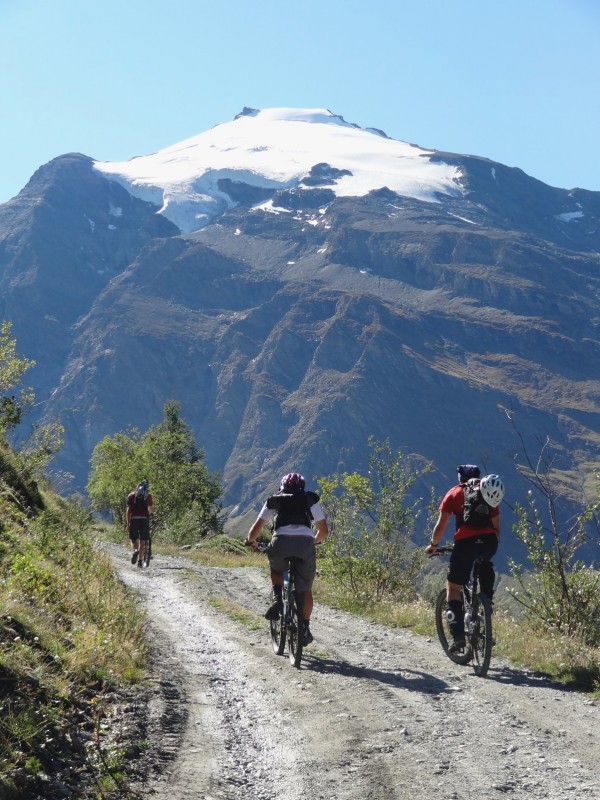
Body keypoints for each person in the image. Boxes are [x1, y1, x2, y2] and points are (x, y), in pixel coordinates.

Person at [426, 465, 505, 652]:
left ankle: (458, 637)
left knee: (453, 587)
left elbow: (440, 526)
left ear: (460, 478)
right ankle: (486, 605)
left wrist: (433, 545)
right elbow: (496, 529)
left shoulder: (454, 494)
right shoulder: (489, 492)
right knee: (485, 563)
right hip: (488, 543)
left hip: (464, 545)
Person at [245, 472, 329, 646]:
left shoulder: (275, 500)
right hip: (305, 543)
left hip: (280, 542)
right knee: (305, 589)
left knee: (277, 569)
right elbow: (324, 531)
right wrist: (313, 541)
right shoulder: (310, 499)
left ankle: (277, 599)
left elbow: (256, 528)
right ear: (302, 487)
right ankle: (304, 627)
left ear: (282, 487)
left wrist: (251, 542)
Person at [126, 481, 154, 568]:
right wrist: (148, 512)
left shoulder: (131, 496)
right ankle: (140, 561)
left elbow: (129, 511)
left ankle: (135, 550)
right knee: (143, 541)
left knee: (134, 539)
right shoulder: (148, 496)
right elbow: (152, 508)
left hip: (134, 519)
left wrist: (128, 523)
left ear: (137, 488)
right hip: (144, 520)